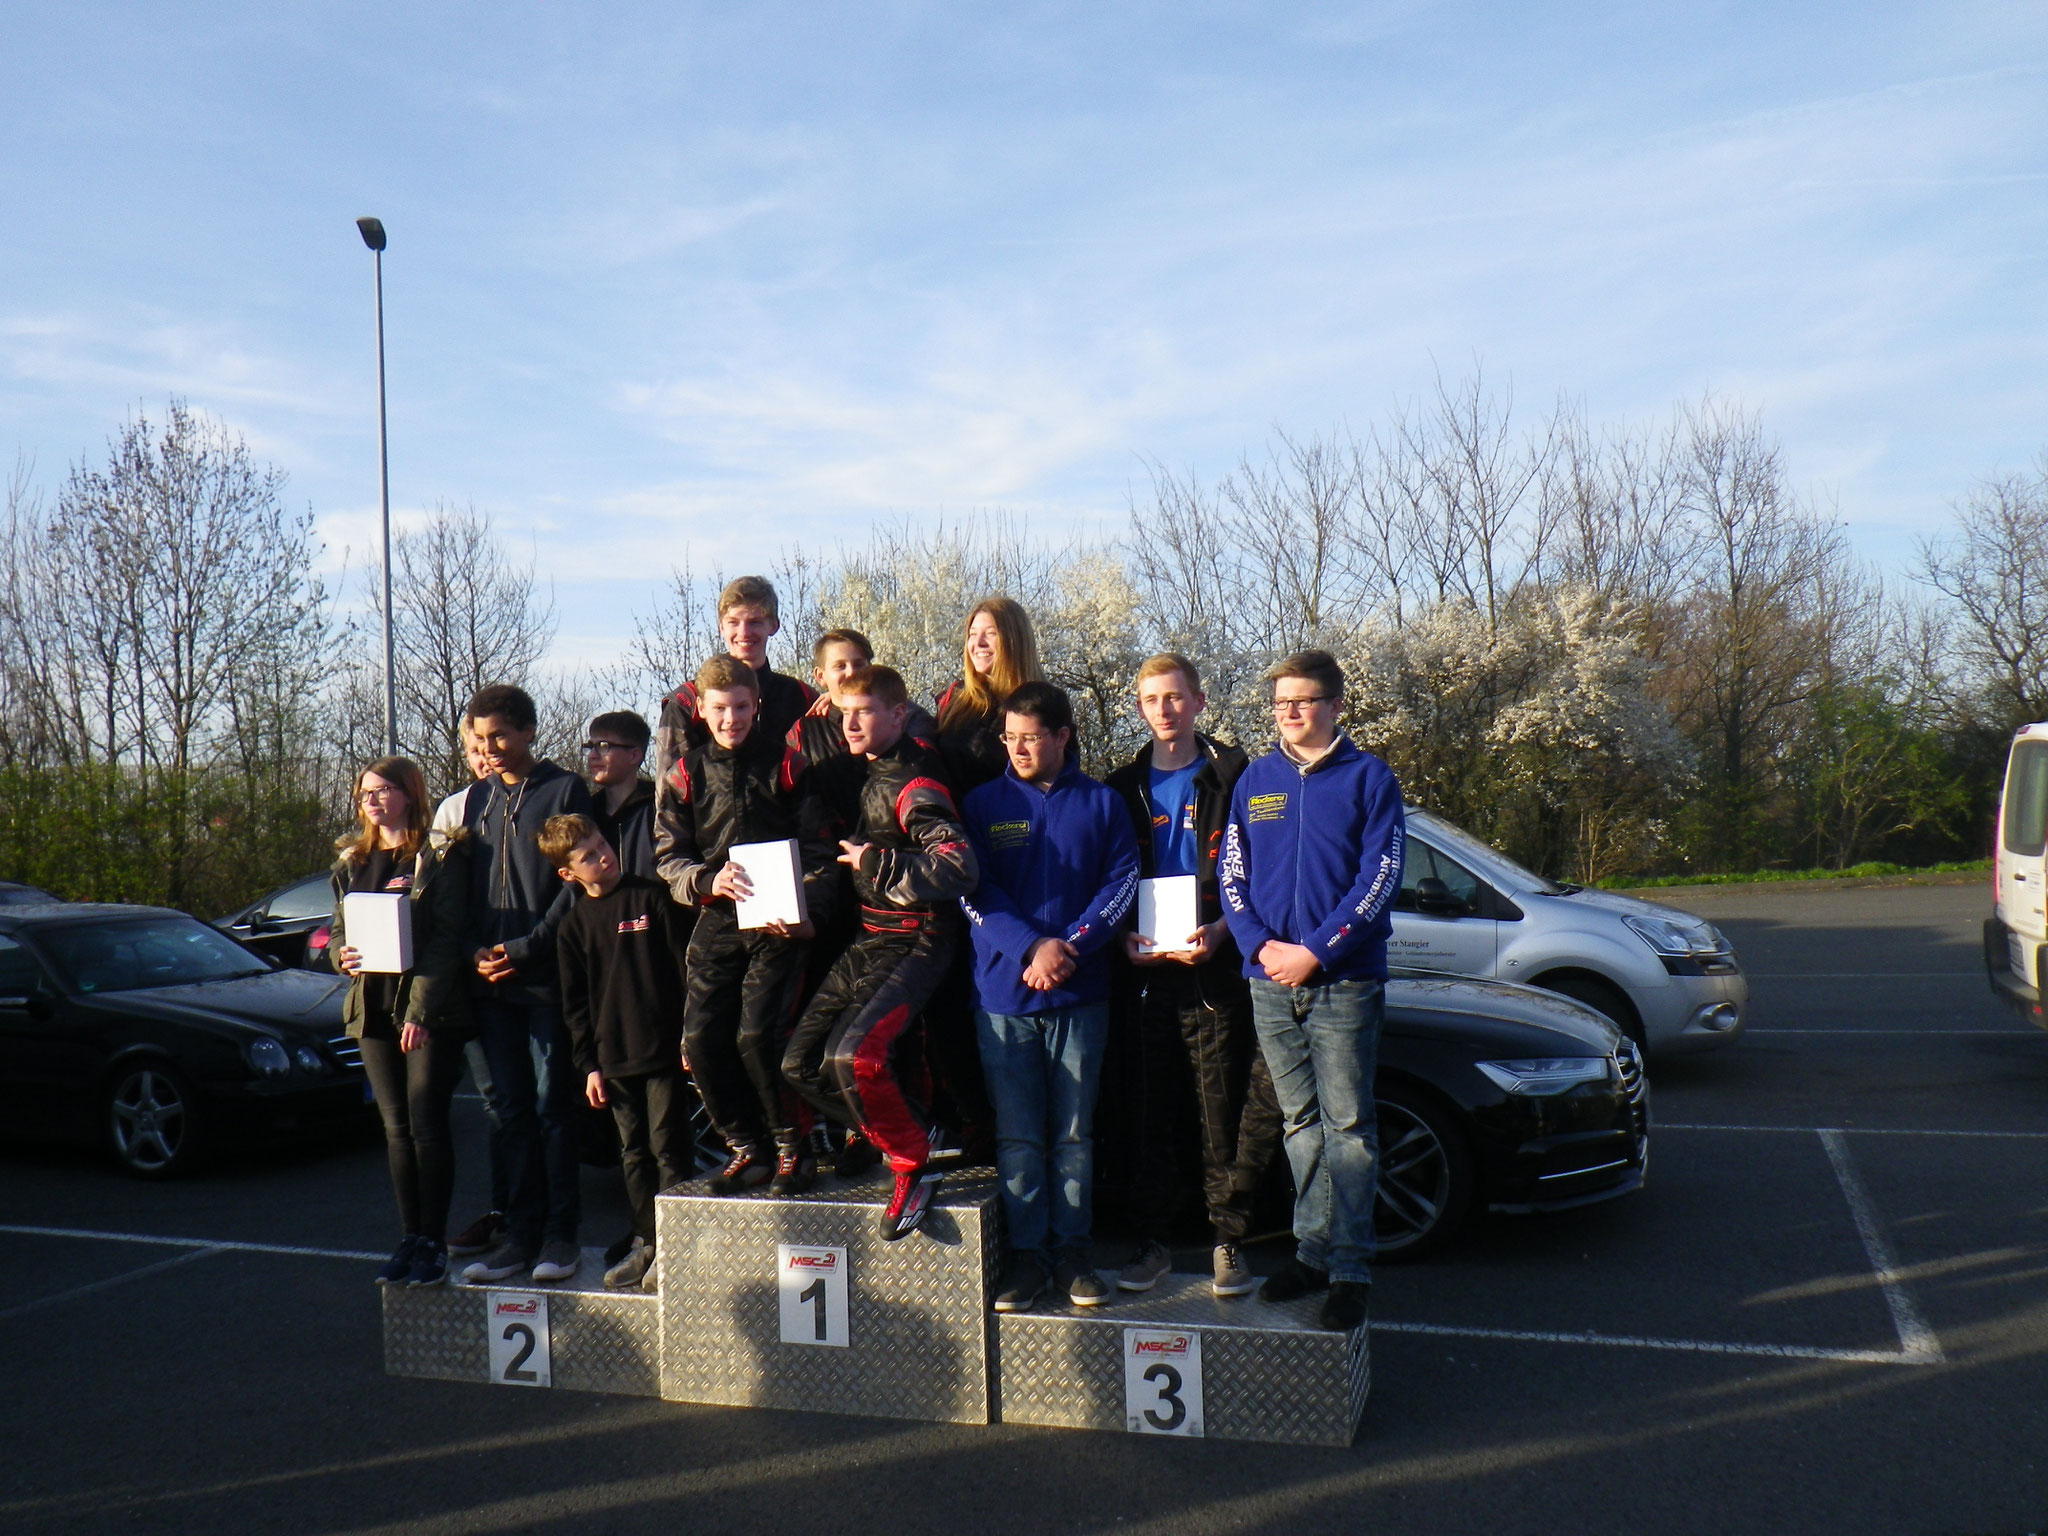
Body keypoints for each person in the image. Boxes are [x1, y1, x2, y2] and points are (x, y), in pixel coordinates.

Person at [1219, 649, 1403, 1332]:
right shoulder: (1255, 781)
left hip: (1344, 982)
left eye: (1302, 700)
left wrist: (1315, 952)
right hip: (1268, 979)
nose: (1289, 712)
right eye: (1279, 702)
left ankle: (1350, 1268)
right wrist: (1260, 947)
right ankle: (1312, 1251)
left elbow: (1379, 879)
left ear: (1335, 706)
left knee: (1349, 1128)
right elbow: (1231, 873)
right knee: (1299, 1125)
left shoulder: (1369, 779)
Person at [781, 665, 978, 1239]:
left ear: (898, 714)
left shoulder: (917, 780)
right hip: (871, 936)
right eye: (844, 711)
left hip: (919, 937)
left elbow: (960, 867)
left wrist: (877, 862)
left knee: (854, 1058)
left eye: (864, 711)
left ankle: (912, 1166)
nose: (850, 722)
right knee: (799, 1064)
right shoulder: (866, 767)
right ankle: (919, 1134)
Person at [1106, 654, 1281, 1299]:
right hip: (1146, 970)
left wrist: (1227, 930)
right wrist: (1117, 935)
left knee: (1219, 1113)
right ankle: (1150, 1243)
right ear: (1140, 707)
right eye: (1152, 699)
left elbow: (1262, 870)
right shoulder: (1120, 787)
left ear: (1199, 702)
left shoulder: (1234, 775)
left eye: (1175, 698)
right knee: (1150, 1113)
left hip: (1216, 967)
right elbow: (1109, 878)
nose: (1164, 710)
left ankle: (1228, 1241)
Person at [961, 681, 1139, 1312]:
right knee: (1017, 1138)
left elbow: (1121, 884)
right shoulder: (981, 804)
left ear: (1063, 736)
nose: (1018, 749)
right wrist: (1031, 949)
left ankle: (1072, 1253)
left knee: (1071, 1135)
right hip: (1005, 999)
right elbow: (974, 892)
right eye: (1009, 738)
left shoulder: (1103, 804)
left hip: (1080, 995)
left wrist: (1069, 948)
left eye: (1030, 737)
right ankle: (1027, 1257)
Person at [657, 654, 838, 1195]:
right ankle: (746, 1147)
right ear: (703, 713)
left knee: (758, 1036)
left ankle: (792, 1149)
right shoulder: (684, 773)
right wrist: (707, 881)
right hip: (716, 921)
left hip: (779, 922)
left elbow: (821, 852)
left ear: (756, 706)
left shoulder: (789, 765)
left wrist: (808, 911)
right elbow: (668, 856)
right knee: (700, 1039)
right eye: (720, 708)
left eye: (740, 706)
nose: (731, 717)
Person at [457, 684, 597, 1287]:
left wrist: (527, 948)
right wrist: (474, 951)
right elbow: (458, 888)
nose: (491, 750)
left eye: (501, 737)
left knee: (551, 1113)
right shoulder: (475, 801)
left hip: (544, 981)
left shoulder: (565, 790)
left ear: (529, 732)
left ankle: (560, 1238)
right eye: (481, 739)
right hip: (490, 986)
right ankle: (518, 1234)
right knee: (509, 1114)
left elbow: (575, 882)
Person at [330, 756, 472, 1288]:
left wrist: (422, 1012)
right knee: (396, 1130)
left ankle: (435, 1241)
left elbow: (446, 938)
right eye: (365, 791)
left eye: (384, 789)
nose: (372, 799)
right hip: (372, 1010)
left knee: (427, 1125)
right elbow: (339, 930)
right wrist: (339, 954)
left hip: (426, 1013)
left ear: (409, 794)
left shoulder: (437, 856)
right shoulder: (353, 861)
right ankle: (410, 1236)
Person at [545, 813, 692, 1292]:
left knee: (669, 1147)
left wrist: (689, 1036)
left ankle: (677, 1248)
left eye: (602, 844)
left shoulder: (651, 898)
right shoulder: (572, 927)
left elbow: (686, 972)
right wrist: (589, 1066)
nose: (602, 856)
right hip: (614, 1060)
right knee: (633, 1154)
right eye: (587, 856)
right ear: (567, 873)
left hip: (664, 1051)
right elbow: (576, 1008)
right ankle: (646, 1242)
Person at [433, 722, 518, 1262]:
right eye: (473, 749)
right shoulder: (454, 811)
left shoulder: (539, 796)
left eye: (494, 743)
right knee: (497, 1104)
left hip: (528, 971)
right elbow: (439, 902)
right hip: (470, 981)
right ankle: (502, 1215)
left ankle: (536, 1217)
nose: (485, 755)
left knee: (536, 1103)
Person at [652, 575, 817, 786]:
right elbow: (669, 789)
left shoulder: (802, 696)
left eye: (755, 622)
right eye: (733, 622)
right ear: (721, 627)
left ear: (774, 626)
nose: (744, 632)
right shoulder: (688, 700)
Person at [788, 628, 938, 778]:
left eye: (858, 664)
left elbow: (926, 768)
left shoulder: (907, 717)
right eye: (840, 666)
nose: (851, 673)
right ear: (820, 676)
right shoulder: (804, 732)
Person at [933, 597, 1042, 794]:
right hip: (955, 821)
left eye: (990, 634)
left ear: (1015, 640)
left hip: (1015, 820)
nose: (978, 643)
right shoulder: (953, 699)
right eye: (972, 635)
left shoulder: (1042, 703)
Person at [584, 710, 659, 880]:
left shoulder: (660, 805)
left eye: (603, 746)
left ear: (634, 755)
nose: (592, 756)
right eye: (590, 747)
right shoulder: (587, 811)